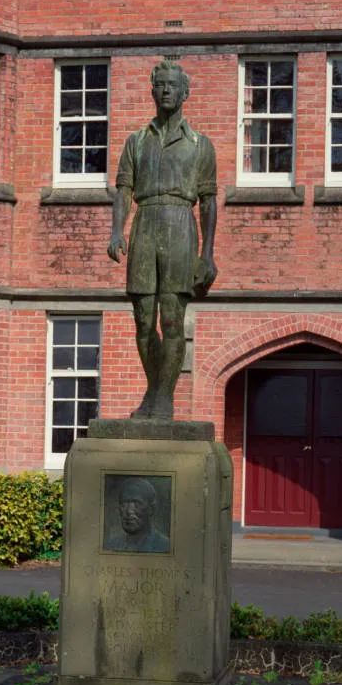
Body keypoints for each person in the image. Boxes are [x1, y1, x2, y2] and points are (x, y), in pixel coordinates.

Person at [107, 59, 218, 420]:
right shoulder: (136, 141)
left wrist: (208, 254)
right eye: (161, 85)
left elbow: (209, 200)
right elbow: (123, 190)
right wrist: (116, 231)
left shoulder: (200, 145)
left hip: (180, 225)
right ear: (153, 90)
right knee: (142, 320)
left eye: (173, 85)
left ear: (185, 92)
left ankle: (163, 399)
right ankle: (153, 390)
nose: (167, 90)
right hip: (145, 223)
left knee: (172, 320)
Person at [105, 477, 170, 553]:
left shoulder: (165, 546)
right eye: (124, 504)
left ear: (151, 509)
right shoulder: (111, 545)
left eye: (137, 503)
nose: (129, 511)